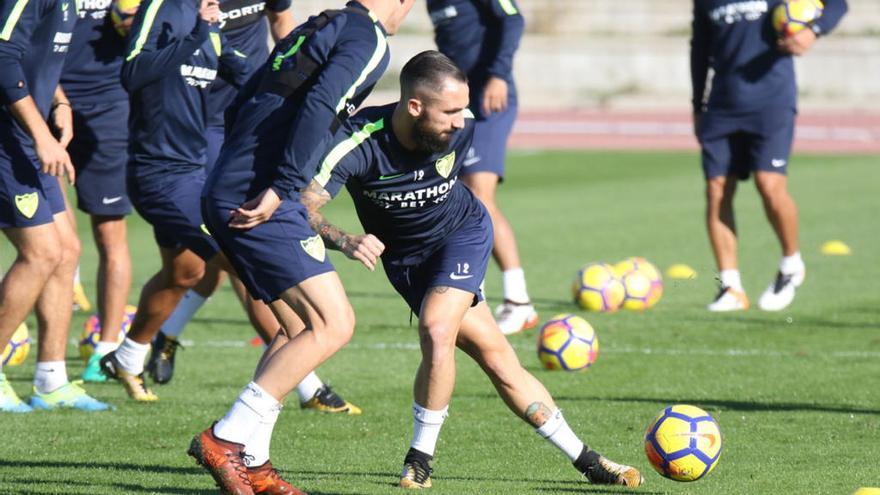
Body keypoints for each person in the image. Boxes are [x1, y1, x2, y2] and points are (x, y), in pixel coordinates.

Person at [302, 50, 644, 490]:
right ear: (414, 107)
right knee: (497, 360)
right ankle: (589, 460)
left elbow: (469, 182)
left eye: (463, 110)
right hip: (407, 262)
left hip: (462, 234)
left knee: (436, 328)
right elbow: (305, 203)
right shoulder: (358, 141)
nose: (460, 122)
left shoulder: (460, 131)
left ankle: (419, 460)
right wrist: (344, 239)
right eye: (449, 112)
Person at [189, 1, 414, 492]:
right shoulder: (368, 37)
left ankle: (254, 461)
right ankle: (224, 439)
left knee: (294, 328)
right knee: (334, 324)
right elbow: (321, 105)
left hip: (235, 185)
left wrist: (242, 170)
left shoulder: (322, 25)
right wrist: (279, 184)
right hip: (264, 195)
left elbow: (246, 97)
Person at [691, 0, 847, 312]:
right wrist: (698, 103)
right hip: (722, 104)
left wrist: (812, 31)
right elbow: (700, 46)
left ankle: (791, 264)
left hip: (772, 101)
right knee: (716, 190)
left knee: (769, 185)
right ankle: (730, 286)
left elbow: (837, 4)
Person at [0, 0, 110, 411]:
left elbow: (35, 56)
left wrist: (59, 102)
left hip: (28, 138)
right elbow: (3, 55)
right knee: (41, 253)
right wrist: (42, 136)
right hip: (8, 141)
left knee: (66, 252)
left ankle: (51, 380)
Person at [427, 0, 535, 335]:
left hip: (489, 100)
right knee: (455, 200)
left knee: (480, 197)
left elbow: (514, 19)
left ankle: (519, 302)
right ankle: (471, 294)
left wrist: (499, 75)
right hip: (454, 105)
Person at [59, 0, 137, 382]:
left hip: (108, 107)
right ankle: (51, 364)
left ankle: (105, 352)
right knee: (50, 241)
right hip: (42, 101)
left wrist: (131, 19)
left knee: (110, 234)